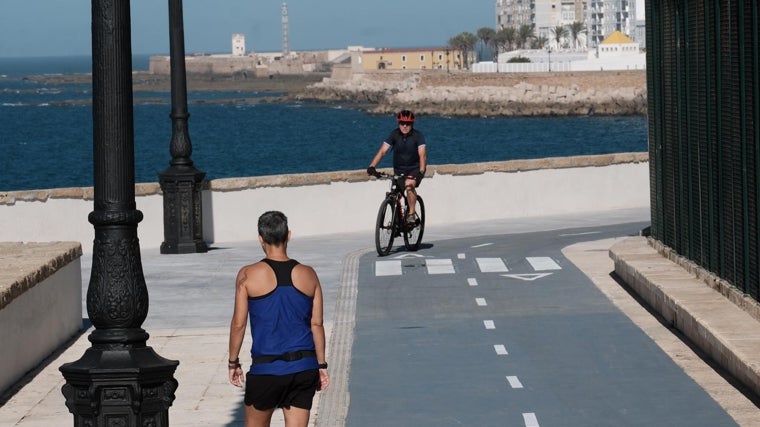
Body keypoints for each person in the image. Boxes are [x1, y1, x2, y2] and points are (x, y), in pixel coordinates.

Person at [228, 211, 329, 427]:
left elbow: (239, 324)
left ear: (261, 239)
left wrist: (233, 362)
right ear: (288, 235)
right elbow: (317, 324)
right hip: (304, 367)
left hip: (267, 370)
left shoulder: (247, 274)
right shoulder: (309, 274)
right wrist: (321, 364)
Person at [366, 109, 427, 225]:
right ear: (398, 123)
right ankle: (396, 220)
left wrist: (421, 172)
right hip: (399, 170)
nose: (404, 126)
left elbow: (422, 155)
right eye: (402, 123)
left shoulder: (418, 136)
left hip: (414, 170)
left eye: (407, 124)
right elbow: (382, 151)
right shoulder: (394, 134)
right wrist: (372, 166)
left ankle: (411, 214)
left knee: (409, 186)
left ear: (412, 124)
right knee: (393, 192)